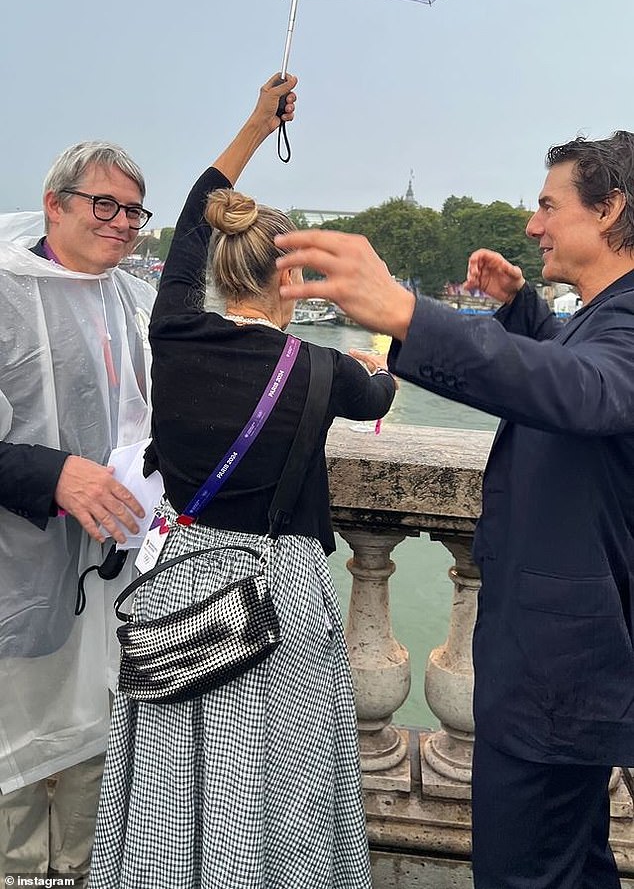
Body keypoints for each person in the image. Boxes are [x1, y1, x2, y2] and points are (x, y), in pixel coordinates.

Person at [275, 131, 634, 889]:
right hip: (559, 666)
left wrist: (408, 312)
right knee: (570, 858)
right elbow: (576, 366)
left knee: (523, 870)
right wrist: (525, 308)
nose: (533, 224)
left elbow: (588, 389)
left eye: (548, 205)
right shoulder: (604, 314)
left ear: (610, 211)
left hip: (557, 679)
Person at [87, 75, 396, 889]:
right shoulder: (327, 371)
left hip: (183, 579)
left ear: (222, 270)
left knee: (171, 772)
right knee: (283, 779)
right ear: (289, 278)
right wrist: (380, 358)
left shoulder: (176, 332)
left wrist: (258, 125)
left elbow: (195, 212)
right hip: (278, 589)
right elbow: (380, 391)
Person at [0, 142, 156, 884]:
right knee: (13, 774)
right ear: (54, 202)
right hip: (16, 571)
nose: (123, 223)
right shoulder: (4, 289)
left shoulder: (130, 300)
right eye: (105, 204)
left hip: (111, 573)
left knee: (99, 749)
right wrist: (53, 472)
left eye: (133, 209)